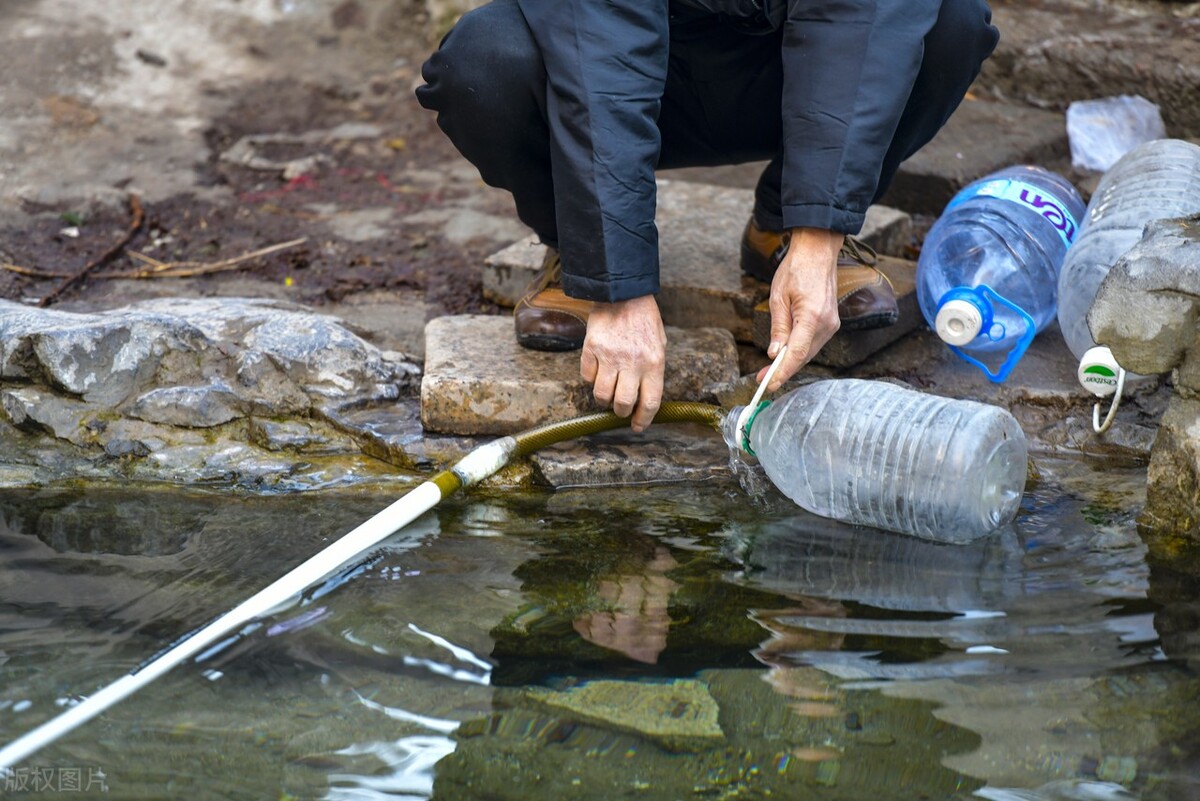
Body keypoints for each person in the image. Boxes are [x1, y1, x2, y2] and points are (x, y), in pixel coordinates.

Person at [417, 0, 1000, 432]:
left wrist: (818, 235)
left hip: (778, 69)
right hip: (623, 68)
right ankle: (579, 255)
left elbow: (865, 23)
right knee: (481, 63)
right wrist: (617, 285)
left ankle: (782, 229)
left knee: (951, 25)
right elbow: (598, 49)